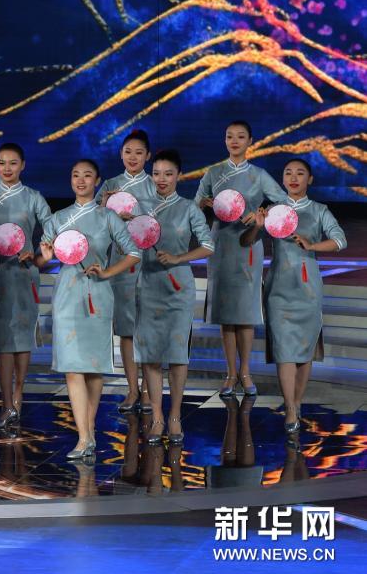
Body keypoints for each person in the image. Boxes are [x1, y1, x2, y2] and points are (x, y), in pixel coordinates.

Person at [36, 159, 140, 460]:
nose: (80, 180)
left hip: (98, 295)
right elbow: (42, 259)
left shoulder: (108, 217)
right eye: (75, 175)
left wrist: (107, 272)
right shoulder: (58, 218)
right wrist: (45, 257)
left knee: (94, 368)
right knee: (72, 366)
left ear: (97, 181)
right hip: (67, 296)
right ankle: (84, 437)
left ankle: (89, 431)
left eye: (87, 176)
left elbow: (133, 252)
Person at [241, 158, 346, 434]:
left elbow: (340, 240)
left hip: (308, 288)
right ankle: (289, 407)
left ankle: (297, 401)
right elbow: (245, 241)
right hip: (278, 288)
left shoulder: (319, 210)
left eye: (300, 173)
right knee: (284, 350)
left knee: (303, 352)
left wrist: (312, 245)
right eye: (288, 173)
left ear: (309, 179)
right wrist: (257, 226)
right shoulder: (273, 210)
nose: (293, 178)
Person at [194, 120, 285, 396]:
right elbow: (195, 204)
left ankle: (245, 372)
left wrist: (261, 212)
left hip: (248, 245)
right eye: (229, 136)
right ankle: (230, 373)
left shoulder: (258, 175)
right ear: (225, 140)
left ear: (250, 141)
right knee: (226, 314)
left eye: (240, 136)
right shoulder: (214, 173)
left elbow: (282, 201)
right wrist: (205, 204)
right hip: (221, 244)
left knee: (245, 313)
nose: (234, 141)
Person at [0, 143, 52, 428]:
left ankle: (18, 394)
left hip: (24, 275)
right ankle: (6, 404)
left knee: (23, 338)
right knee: (4, 341)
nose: (7, 168)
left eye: (13, 163)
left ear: (23, 165)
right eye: (2, 163)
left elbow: (52, 228)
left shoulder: (33, 197)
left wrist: (37, 254)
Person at [136, 149, 214, 444]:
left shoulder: (189, 208)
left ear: (179, 176)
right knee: (152, 355)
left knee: (178, 355)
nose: (162, 179)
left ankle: (175, 415)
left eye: (168, 174)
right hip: (148, 286)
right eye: (156, 173)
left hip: (179, 288)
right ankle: (157, 416)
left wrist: (179, 258)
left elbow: (208, 246)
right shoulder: (140, 207)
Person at [96, 129, 158, 413]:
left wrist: (140, 218)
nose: (133, 157)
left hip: (150, 262)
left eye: (139, 153)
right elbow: (95, 222)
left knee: (148, 328)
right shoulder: (111, 185)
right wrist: (105, 209)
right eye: (128, 152)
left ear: (148, 156)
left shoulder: (155, 184)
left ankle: (148, 390)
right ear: (121, 154)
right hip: (121, 263)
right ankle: (132, 389)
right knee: (126, 329)